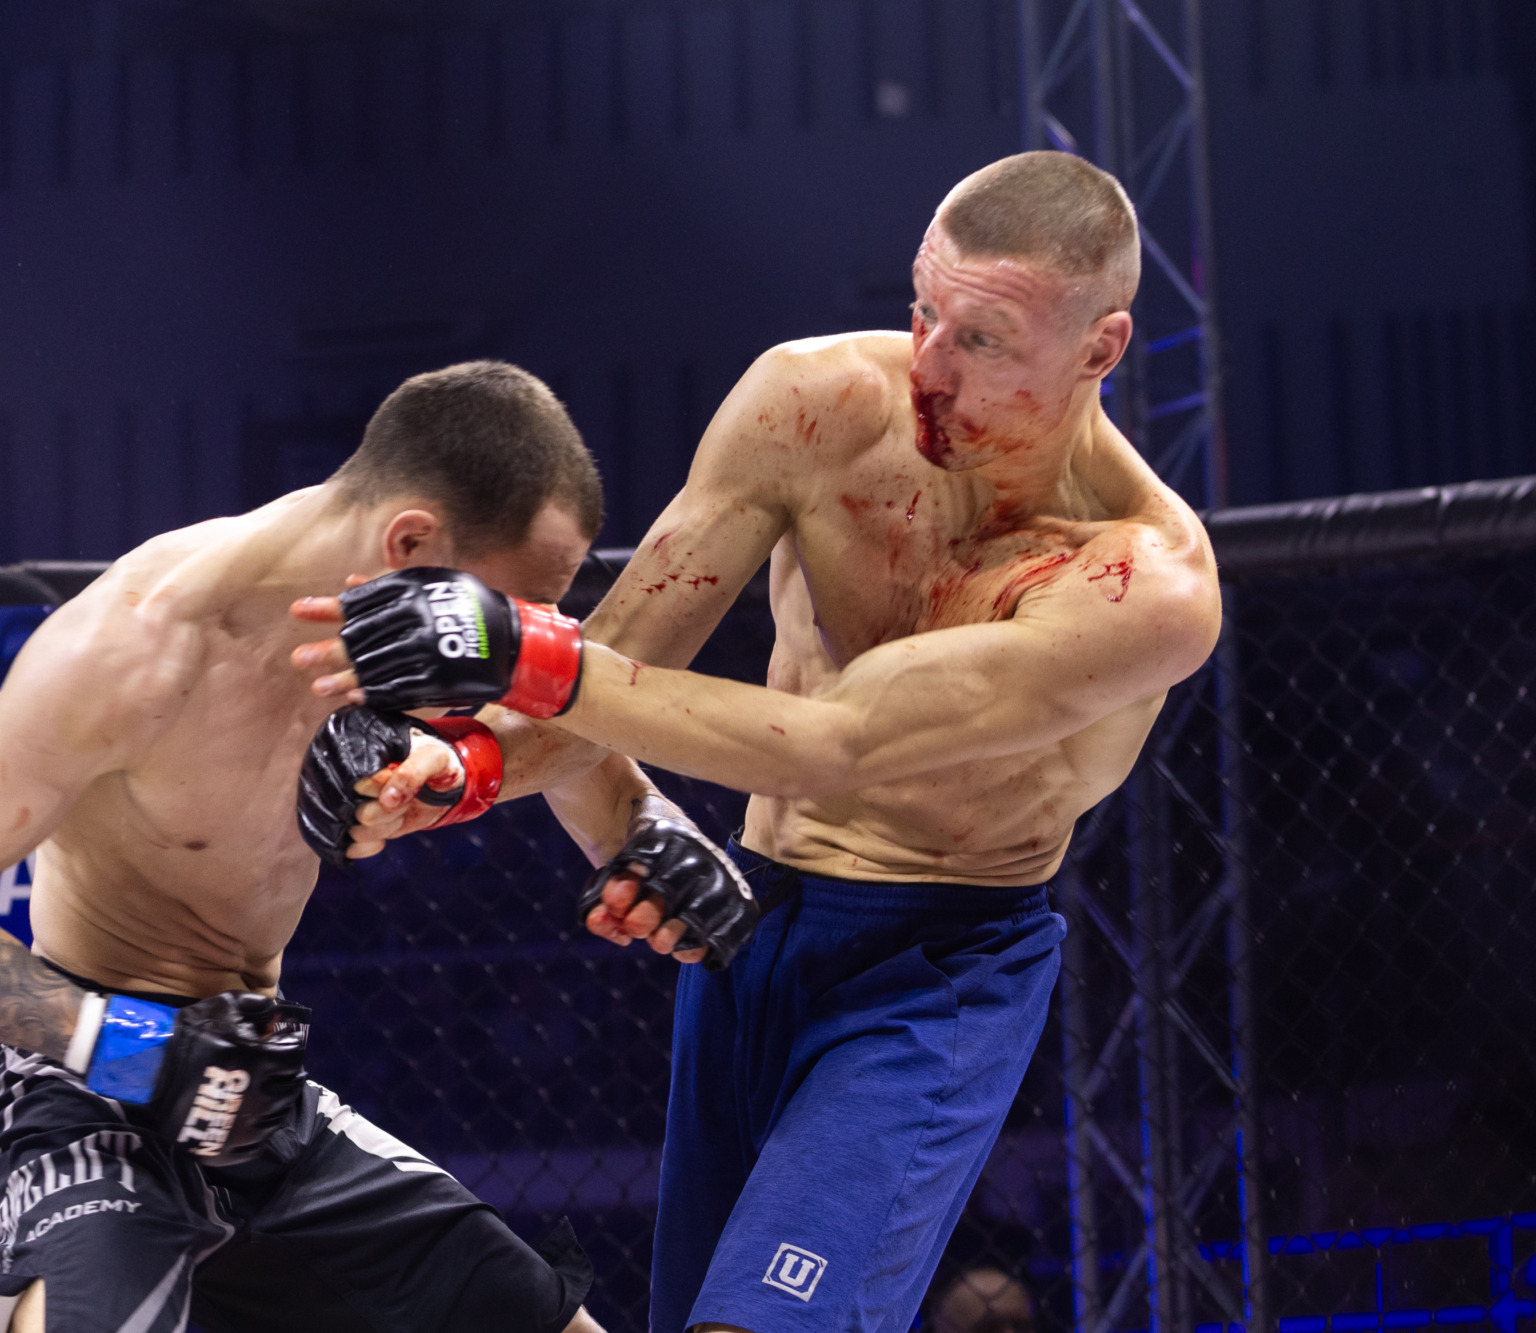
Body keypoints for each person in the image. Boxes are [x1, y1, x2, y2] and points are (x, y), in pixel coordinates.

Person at [290, 152, 1222, 1333]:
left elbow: (837, 743)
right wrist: (457, 770)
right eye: (922, 312)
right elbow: (620, 668)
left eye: (983, 341)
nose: (929, 367)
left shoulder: (1142, 582)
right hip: (750, 927)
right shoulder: (813, 406)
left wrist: (518, 652)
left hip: (933, 969)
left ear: (1100, 347)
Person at [0, 360, 757, 1333]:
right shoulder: (136, 648)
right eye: (505, 612)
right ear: (410, 544)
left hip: (258, 1093)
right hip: (85, 1085)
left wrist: (645, 828)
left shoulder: (401, 623)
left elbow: (561, 733)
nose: (509, 642)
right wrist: (140, 1055)